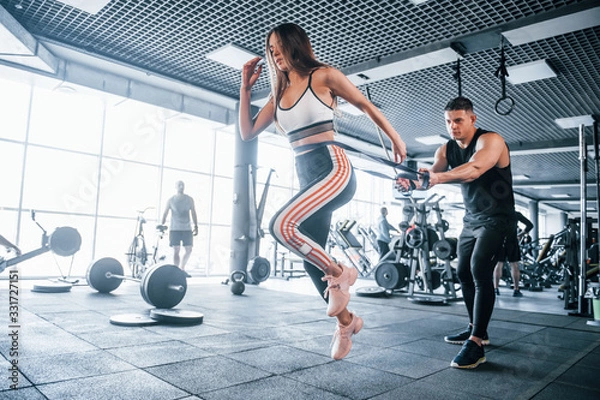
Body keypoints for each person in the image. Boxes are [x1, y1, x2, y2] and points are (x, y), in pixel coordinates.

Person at [239, 23, 406, 360]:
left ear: (294, 45)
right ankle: (347, 322)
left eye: (278, 48)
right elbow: (247, 132)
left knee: (279, 226)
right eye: (270, 51)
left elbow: (364, 104)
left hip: (333, 169)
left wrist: (395, 138)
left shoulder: (323, 75)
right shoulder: (279, 94)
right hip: (308, 180)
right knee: (308, 260)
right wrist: (244, 88)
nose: (274, 55)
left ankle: (341, 273)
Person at [397, 96, 516, 369]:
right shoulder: (446, 149)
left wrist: (435, 178)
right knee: (462, 271)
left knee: (479, 269)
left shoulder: (491, 141)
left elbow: (474, 169)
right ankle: (478, 328)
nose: (453, 126)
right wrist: (411, 183)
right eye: (449, 121)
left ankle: (476, 343)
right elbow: (429, 178)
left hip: (499, 218)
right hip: (472, 219)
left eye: (459, 120)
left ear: (473, 119)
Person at [161, 180, 198, 277]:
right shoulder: (171, 200)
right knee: (176, 250)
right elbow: (165, 213)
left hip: (187, 228)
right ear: (176, 187)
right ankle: (176, 271)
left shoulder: (189, 199)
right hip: (175, 229)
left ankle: (182, 268)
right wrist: (161, 224)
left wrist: (196, 225)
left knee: (189, 250)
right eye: (179, 185)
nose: (181, 186)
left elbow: (193, 212)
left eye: (182, 185)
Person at [493, 211, 533, 297]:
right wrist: (520, 235)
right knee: (514, 265)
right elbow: (530, 225)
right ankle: (516, 290)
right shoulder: (515, 214)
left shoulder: (497, 213)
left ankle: (496, 289)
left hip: (500, 241)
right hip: (512, 242)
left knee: (498, 265)